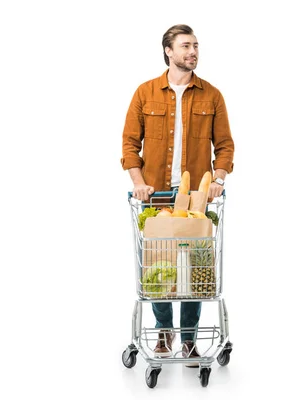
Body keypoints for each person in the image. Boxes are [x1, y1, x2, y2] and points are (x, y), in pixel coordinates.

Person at [121, 24, 235, 367]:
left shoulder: (211, 95)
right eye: (186, 45)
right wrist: (139, 181)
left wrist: (218, 178)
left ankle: (188, 340)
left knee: (193, 268)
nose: (193, 51)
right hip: (155, 195)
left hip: (197, 197)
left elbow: (225, 146)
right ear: (168, 50)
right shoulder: (145, 92)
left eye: (196, 45)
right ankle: (162, 331)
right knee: (159, 266)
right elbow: (129, 144)